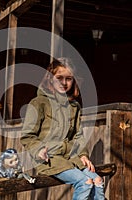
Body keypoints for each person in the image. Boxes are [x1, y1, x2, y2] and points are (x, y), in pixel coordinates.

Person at [20, 57, 105, 199]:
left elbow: (78, 136)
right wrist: (39, 150)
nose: (64, 83)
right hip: (49, 160)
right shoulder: (39, 103)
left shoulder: (74, 107)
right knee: (85, 182)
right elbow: (27, 136)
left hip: (71, 157)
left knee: (98, 181)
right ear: (50, 78)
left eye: (69, 79)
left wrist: (83, 155)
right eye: (59, 78)